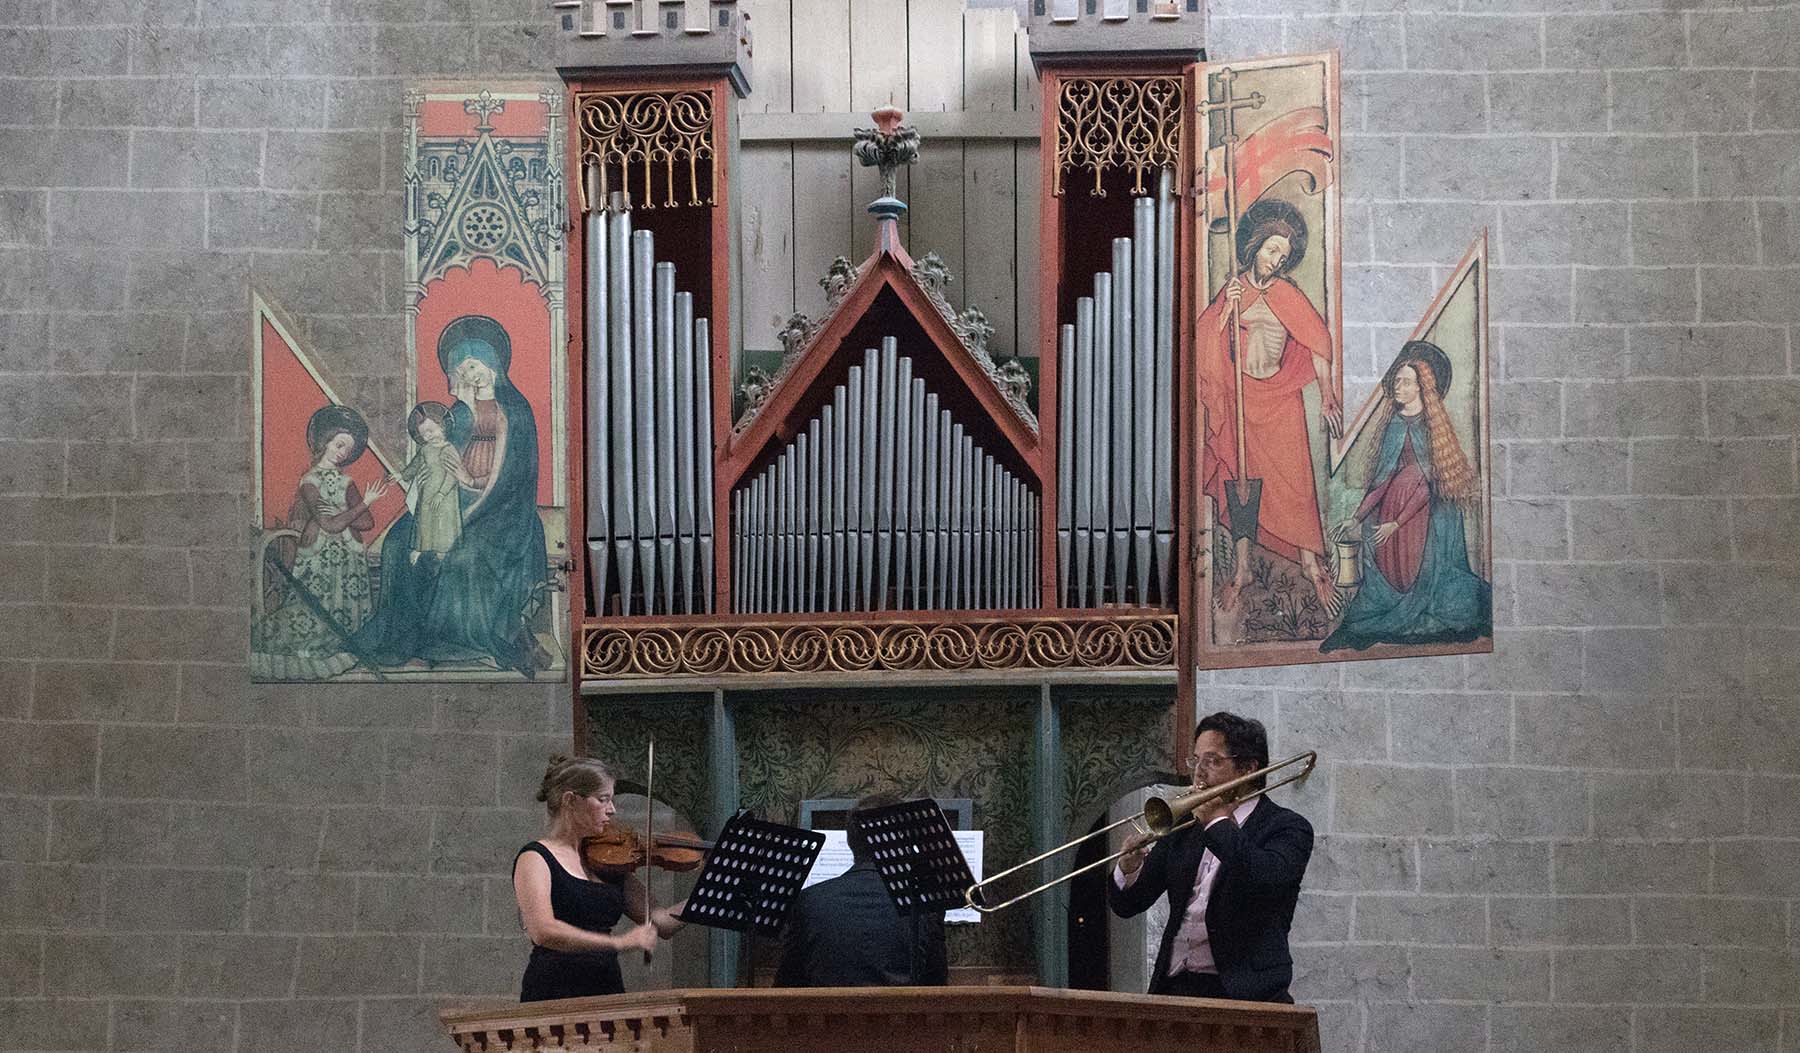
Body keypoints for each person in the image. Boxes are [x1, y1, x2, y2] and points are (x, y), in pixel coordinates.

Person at [355, 315, 550, 675]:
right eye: (461, 369)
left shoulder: (516, 411)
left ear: (492, 363)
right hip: (452, 500)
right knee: (400, 543)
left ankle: (457, 644)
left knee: (465, 555)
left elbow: (514, 477)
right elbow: (436, 455)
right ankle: (408, 638)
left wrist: (471, 488)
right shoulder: (458, 412)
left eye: (474, 366)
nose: (470, 375)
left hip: (502, 510)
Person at [1195, 199, 1343, 611]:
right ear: (1255, 246)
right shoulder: (1234, 288)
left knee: (1296, 484)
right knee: (1241, 480)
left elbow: (1318, 342)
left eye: (1284, 253)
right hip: (1241, 398)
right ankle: (1241, 567)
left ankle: (1312, 566)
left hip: (1280, 400)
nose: (1277, 259)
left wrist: (1327, 392)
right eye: (1271, 249)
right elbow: (1204, 339)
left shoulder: (1286, 292)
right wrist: (1227, 307)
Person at [1108, 712, 1312, 1003]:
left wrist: (1217, 824)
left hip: (1247, 993)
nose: (1199, 772)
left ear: (1248, 768)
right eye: (1196, 760)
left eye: (1213, 761)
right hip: (1176, 989)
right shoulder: (1183, 826)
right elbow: (1129, 905)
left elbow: (1266, 880)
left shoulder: (1288, 827)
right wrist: (1127, 870)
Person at [1321, 341, 1492, 652]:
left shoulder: (1432, 428)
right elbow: (1382, 482)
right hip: (1393, 521)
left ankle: (1422, 608)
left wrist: (1397, 523)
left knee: (1435, 592)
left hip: (1429, 522)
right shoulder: (1396, 424)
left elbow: (1427, 486)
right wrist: (1356, 517)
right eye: (1396, 380)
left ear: (1420, 387)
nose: (1397, 386)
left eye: (1405, 381)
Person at [513, 755, 684, 1002]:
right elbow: (544, 931)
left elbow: (662, 921)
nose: (612, 809)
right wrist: (619, 943)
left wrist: (709, 892)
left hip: (606, 988)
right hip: (554, 991)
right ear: (570, 800)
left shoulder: (609, 861)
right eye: (603, 799)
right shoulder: (535, 857)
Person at [251, 405, 389, 680]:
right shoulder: (310, 481)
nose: (342, 453)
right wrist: (361, 505)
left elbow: (367, 523)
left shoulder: (346, 480)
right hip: (319, 557)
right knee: (316, 608)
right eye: (339, 445)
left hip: (349, 557)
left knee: (348, 611)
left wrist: (344, 514)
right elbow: (331, 525)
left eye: (347, 450)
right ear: (325, 441)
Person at [774, 794, 949, 987]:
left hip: (828, 1015)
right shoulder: (923, 901)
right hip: (898, 1016)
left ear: (850, 842)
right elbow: (936, 984)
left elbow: (787, 982)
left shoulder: (808, 900)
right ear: (903, 843)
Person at [393, 401, 471, 568]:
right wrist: (401, 475)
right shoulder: (425, 449)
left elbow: (452, 475)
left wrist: (441, 493)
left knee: (443, 522)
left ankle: (442, 552)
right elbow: (414, 466)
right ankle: (421, 548)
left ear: (442, 427)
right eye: (424, 434)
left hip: (446, 497)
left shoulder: (449, 449)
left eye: (432, 430)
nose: (429, 436)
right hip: (427, 492)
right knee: (425, 521)